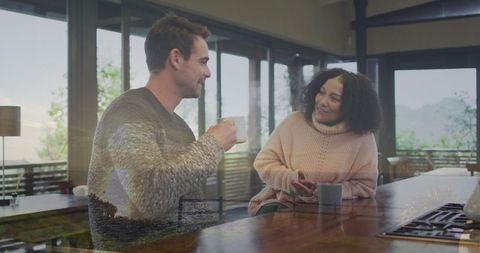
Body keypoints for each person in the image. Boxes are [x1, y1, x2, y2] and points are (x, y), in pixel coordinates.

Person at [87, 14, 237, 250]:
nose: (208, 73)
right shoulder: (127, 112)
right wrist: (213, 143)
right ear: (176, 58)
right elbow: (150, 196)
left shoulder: (180, 126)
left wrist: (225, 232)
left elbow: (190, 205)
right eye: (203, 61)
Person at [248, 68, 382, 216]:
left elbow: (365, 187)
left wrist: (322, 191)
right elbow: (263, 162)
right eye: (321, 92)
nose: (322, 102)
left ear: (351, 106)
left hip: (336, 214)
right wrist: (292, 181)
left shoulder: (362, 137)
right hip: (280, 207)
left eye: (334, 98)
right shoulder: (293, 122)